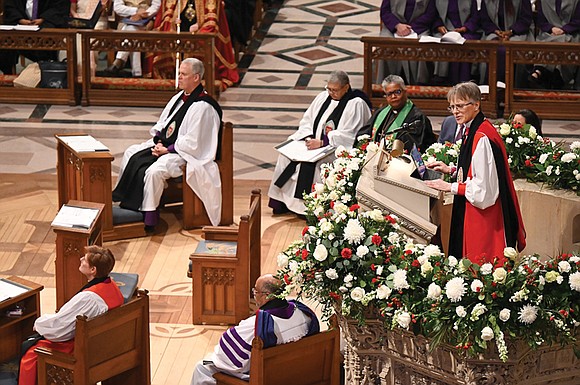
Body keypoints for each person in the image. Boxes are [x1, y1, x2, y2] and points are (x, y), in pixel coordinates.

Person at [112, 58, 222, 228]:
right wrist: (158, 142)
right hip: (167, 146)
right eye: (179, 73)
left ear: (196, 78)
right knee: (130, 152)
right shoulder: (179, 97)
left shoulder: (204, 107)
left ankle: (149, 217)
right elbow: (163, 123)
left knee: (154, 171)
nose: (179, 77)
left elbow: (194, 143)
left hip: (187, 155)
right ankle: (125, 201)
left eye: (183, 74)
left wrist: (167, 149)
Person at [425, 82, 526, 266]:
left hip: (484, 220)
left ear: (477, 105)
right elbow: (479, 170)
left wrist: (450, 186)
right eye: (452, 107)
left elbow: (484, 191)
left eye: (461, 106)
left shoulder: (481, 137)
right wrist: (452, 170)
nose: (455, 111)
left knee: (482, 268)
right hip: (475, 213)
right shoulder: (474, 128)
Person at [268, 70, 372, 216]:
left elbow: (351, 135)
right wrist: (308, 137)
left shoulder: (356, 104)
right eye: (328, 88)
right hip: (312, 145)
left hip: (335, 150)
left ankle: (309, 209)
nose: (331, 93)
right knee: (285, 157)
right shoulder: (323, 97)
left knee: (316, 165)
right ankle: (282, 203)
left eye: (335, 90)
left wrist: (323, 142)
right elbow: (307, 120)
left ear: (346, 87)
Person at [18, 246, 123, 385]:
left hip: (79, 347)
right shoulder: (111, 286)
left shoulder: (89, 298)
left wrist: (39, 323)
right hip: (101, 342)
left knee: (31, 354)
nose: (80, 259)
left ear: (93, 270)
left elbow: (59, 329)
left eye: (85, 259)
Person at [190, 274, 319, 385]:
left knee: (202, 367)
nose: (254, 296)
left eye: (255, 292)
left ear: (267, 296)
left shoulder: (254, 325)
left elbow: (227, 360)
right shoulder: (303, 314)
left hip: (267, 377)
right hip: (297, 370)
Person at [143, 0, 239, 91]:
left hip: (200, 31)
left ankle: (196, 76)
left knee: (199, 41)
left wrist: (199, 25)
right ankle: (175, 75)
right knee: (166, 40)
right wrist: (173, 23)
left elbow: (211, 20)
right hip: (179, 31)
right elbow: (167, 16)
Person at [358, 74, 436, 153]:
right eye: (389, 94)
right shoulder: (380, 112)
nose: (393, 96)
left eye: (397, 92)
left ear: (405, 92)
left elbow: (413, 146)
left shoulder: (417, 117)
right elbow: (364, 135)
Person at [0, 0, 69, 74]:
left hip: (46, 24)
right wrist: (20, 20)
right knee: (6, 41)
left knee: (47, 38)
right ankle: (8, 75)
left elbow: (60, 7)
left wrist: (43, 19)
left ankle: (48, 72)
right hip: (21, 25)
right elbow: (10, 7)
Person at [379, 0, 439, 84]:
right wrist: (397, 25)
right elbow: (385, 12)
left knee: (422, 46)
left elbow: (430, 14)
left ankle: (419, 84)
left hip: (419, 28)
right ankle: (387, 84)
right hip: (393, 28)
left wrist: (410, 28)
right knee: (385, 45)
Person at [478, 0, 534, 84]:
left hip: (517, 33)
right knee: (492, 47)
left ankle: (512, 86)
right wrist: (495, 31)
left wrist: (511, 31)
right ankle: (489, 85)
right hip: (494, 33)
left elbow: (525, 19)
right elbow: (484, 20)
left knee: (510, 49)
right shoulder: (486, 1)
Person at [528, 0, 580, 90]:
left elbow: (578, 20)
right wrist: (551, 28)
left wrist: (564, 30)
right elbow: (541, 20)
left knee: (561, 43)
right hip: (549, 33)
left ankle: (540, 70)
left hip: (571, 34)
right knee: (550, 43)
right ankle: (556, 74)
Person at [104, 0, 161, 77]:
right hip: (125, 21)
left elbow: (156, 6)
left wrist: (143, 14)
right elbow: (117, 7)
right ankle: (137, 72)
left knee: (132, 30)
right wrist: (135, 11)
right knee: (133, 30)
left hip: (146, 21)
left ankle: (119, 61)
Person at [432, 0, 481, 84]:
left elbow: (475, 16)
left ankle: (465, 81)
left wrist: (465, 28)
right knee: (443, 43)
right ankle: (442, 79)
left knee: (465, 45)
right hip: (445, 31)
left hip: (465, 31)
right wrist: (439, 26)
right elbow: (434, 15)